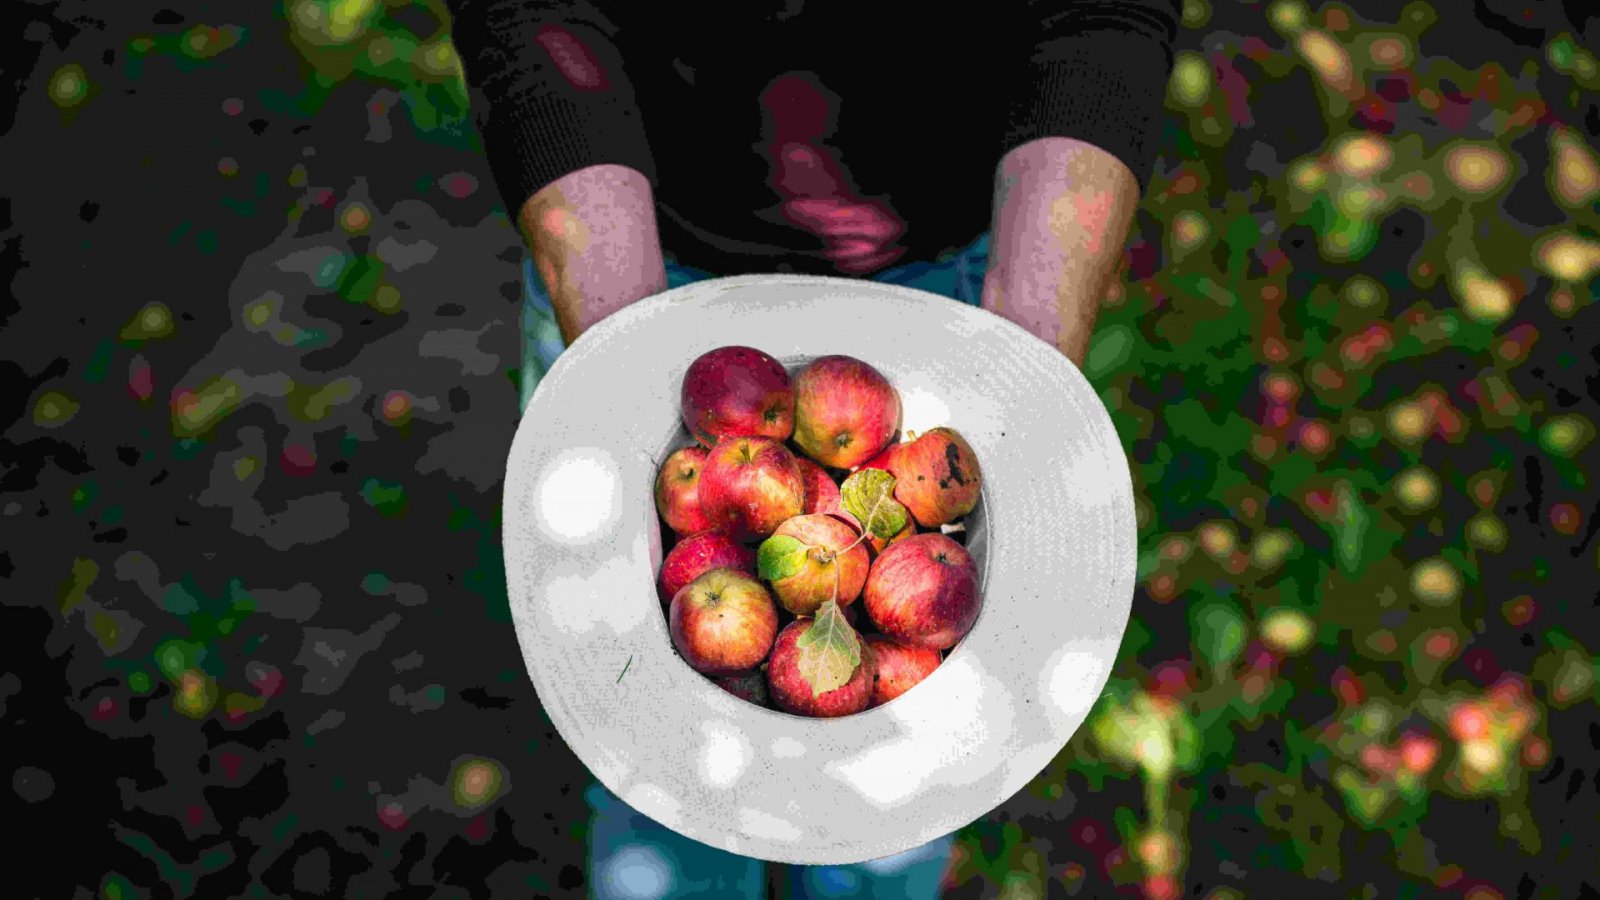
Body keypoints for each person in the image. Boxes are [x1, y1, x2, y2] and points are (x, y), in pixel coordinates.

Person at [443, 1, 1180, 896]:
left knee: (900, 785)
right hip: (632, 249)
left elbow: (1100, 16)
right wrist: (622, 382)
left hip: (951, 266)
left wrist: (1017, 372)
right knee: (654, 729)